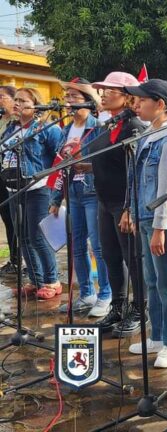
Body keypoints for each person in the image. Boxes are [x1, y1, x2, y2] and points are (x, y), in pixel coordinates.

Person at [123, 79, 167, 368]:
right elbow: (138, 179)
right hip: (145, 215)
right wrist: (131, 210)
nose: (136, 105)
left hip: (163, 218)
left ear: (161, 104)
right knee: (152, 280)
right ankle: (158, 335)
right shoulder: (150, 133)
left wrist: (161, 228)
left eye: (142, 100)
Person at [89, 71, 147, 337]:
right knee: (110, 256)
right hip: (105, 201)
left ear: (127, 97)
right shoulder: (109, 124)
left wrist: (129, 208)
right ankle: (118, 305)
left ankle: (140, 308)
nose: (103, 95)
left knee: (132, 258)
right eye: (102, 90)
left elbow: (136, 171)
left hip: (124, 204)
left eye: (110, 90)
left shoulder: (133, 127)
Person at [49, 78, 113, 316]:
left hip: (92, 192)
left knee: (98, 246)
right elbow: (60, 165)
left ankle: (106, 294)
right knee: (76, 246)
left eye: (74, 97)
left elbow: (104, 161)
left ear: (87, 101)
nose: (68, 101)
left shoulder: (98, 126)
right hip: (73, 193)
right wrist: (56, 199)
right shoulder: (65, 130)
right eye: (66, 97)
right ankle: (87, 293)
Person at [2, 88, 64, 300]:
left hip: (38, 188)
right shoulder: (11, 128)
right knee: (22, 236)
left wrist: (56, 192)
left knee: (37, 237)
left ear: (36, 104)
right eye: (16, 100)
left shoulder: (46, 129)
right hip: (14, 188)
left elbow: (59, 158)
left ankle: (52, 280)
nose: (17, 104)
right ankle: (35, 280)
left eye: (22, 100)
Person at [0, 85, 19, 276]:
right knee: (6, 217)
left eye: (2, 97)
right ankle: (13, 259)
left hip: (13, 175)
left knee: (14, 219)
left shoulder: (15, 123)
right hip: (1, 175)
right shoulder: (2, 121)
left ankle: (18, 260)